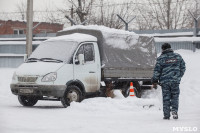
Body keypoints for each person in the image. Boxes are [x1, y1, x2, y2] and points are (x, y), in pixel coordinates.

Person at [152, 43, 186, 120]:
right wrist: (178, 76)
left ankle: (166, 115)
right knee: (175, 97)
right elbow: (183, 67)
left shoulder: (161, 58)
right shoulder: (178, 56)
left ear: (163, 49)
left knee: (166, 98)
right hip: (175, 81)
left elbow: (157, 71)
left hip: (165, 82)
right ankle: (174, 111)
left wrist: (154, 80)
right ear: (170, 48)